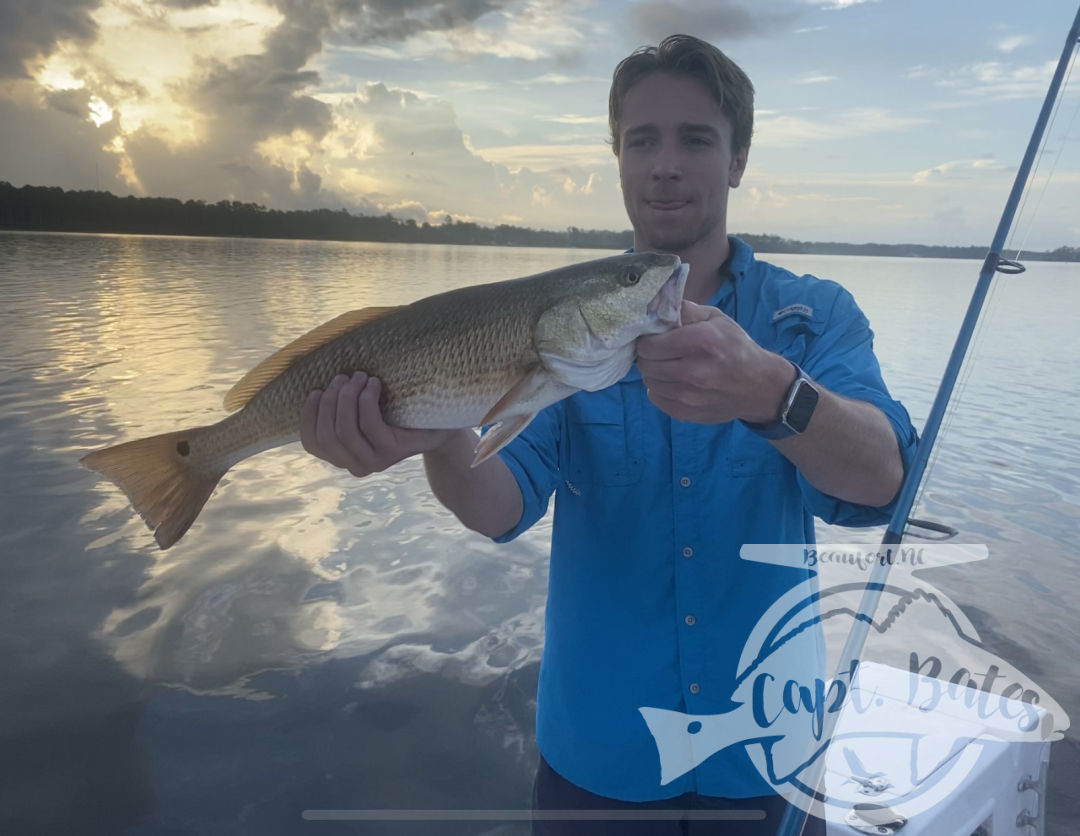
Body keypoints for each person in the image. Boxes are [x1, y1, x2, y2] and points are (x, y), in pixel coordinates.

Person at [300, 34, 918, 836]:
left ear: (737, 160)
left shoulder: (814, 317)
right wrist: (440, 434)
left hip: (768, 752)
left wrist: (772, 391)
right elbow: (496, 508)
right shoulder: (564, 325)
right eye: (642, 140)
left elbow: (882, 482)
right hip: (601, 759)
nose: (665, 164)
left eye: (696, 138)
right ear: (618, 159)